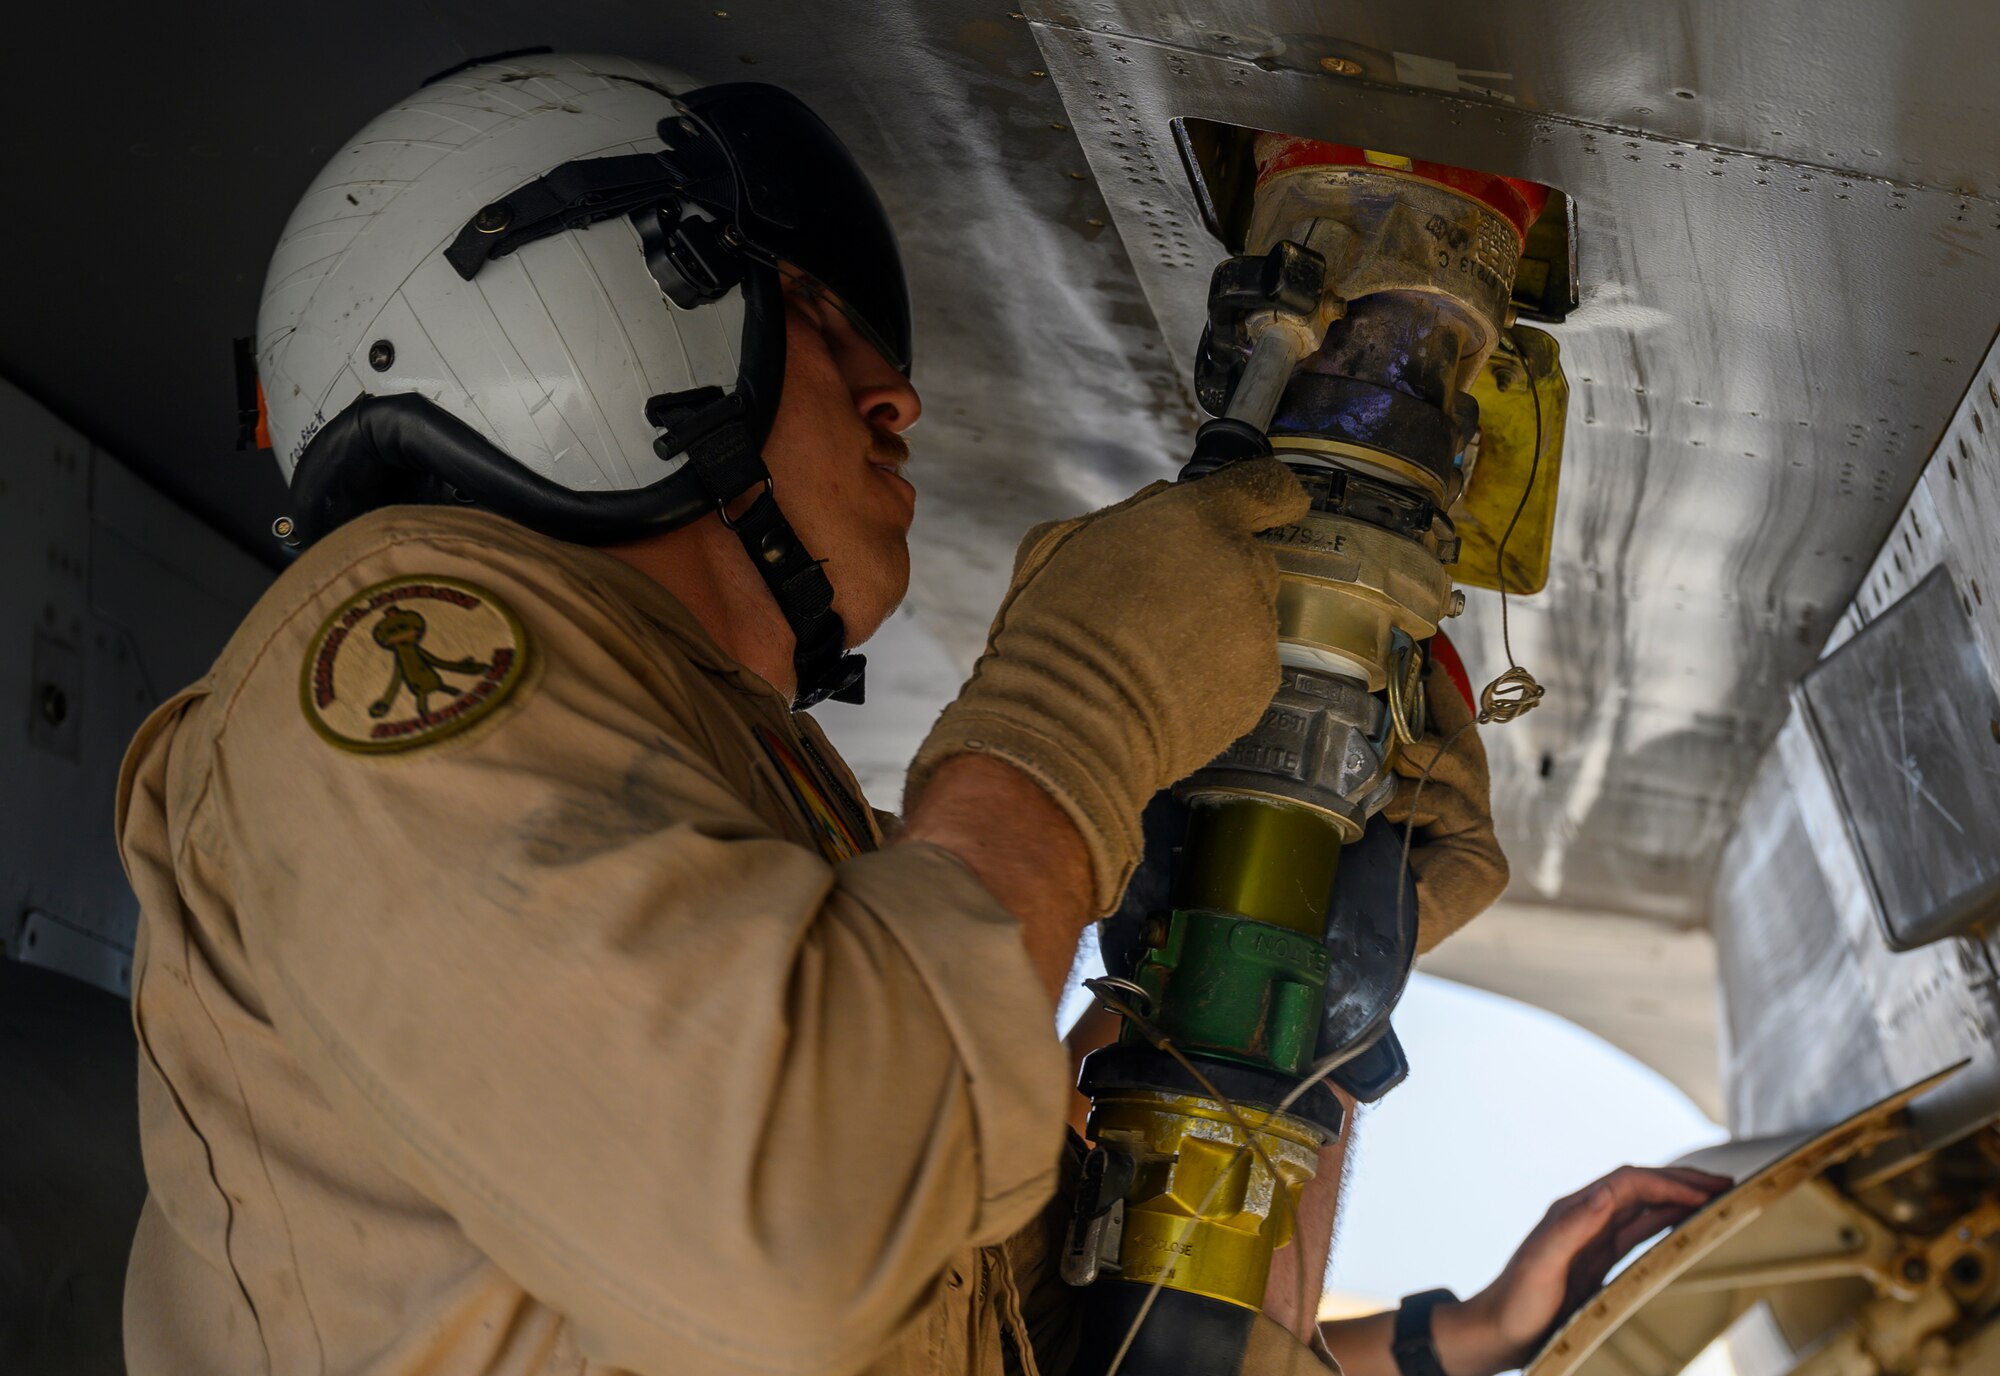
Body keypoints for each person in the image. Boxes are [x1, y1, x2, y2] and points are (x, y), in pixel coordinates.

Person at [115, 53, 1724, 1376]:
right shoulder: (385, 659)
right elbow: (804, 1221)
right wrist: (1067, 713)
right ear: (610, 313)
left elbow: (1080, 1333)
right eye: (825, 322)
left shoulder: (736, 842)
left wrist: (1282, 992)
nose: (898, 398)